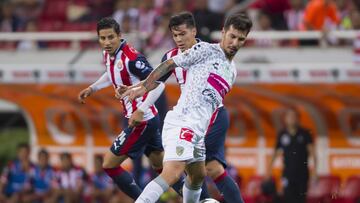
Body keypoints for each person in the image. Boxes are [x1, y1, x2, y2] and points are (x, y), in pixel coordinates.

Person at [119, 12, 252, 203]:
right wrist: (141, 89)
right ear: (223, 33)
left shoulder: (232, 70)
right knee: (173, 173)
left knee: (197, 176)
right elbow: (170, 64)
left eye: (241, 39)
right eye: (232, 36)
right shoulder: (205, 50)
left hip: (198, 129)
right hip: (182, 122)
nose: (235, 43)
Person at [158, 11, 244, 202]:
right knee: (196, 168)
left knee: (209, 167)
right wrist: (142, 102)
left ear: (194, 32)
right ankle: (204, 200)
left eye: (183, 34)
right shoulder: (170, 57)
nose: (179, 39)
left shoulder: (205, 50)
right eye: (175, 35)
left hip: (211, 115)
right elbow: (157, 84)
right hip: (191, 115)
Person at [77, 17, 166, 200]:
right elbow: (112, 74)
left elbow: (158, 84)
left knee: (109, 164)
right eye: (103, 38)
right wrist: (92, 88)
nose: (107, 42)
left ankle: (143, 200)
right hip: (144, 118)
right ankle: (197, 195)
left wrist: (141, 110)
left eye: (111, 37)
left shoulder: (132, 58)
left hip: (143, 120)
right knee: (163, 168)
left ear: (119, 36)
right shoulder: (109, 54)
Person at [266, 108, 317, 203]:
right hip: (287, 174)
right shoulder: (282, 134)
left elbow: (313, 153)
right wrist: (269, 170)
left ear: (298, 119)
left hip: (303, 175)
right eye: (289, 116)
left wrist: (314, 171)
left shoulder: (305, 133)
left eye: (294, 116)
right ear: (285, 119)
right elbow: (275, 153)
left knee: (300, 200)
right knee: (287, 198)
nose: (292, 118)